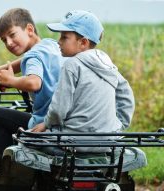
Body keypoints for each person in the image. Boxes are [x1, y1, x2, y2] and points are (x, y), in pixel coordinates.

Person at [0, 8, 65, 160]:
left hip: (44, 122)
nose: (8, 42)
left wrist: (12, 81)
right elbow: (8, 69)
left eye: (12, 34)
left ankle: (5, 170)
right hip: (64, 120)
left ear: (29, 29)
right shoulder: (51, 46)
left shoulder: (32, 55)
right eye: (3, 40)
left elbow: (33, 83)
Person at [31, 10, 135, 152]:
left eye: (64, 37)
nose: (59, 42)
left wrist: (46, 123)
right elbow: (126, 95)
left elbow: (58, 109)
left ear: (83, 42)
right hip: (107, 141)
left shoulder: (72, 65)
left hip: (74, 141)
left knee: (29, 141)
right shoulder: (107, 63)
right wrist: (118, 126)